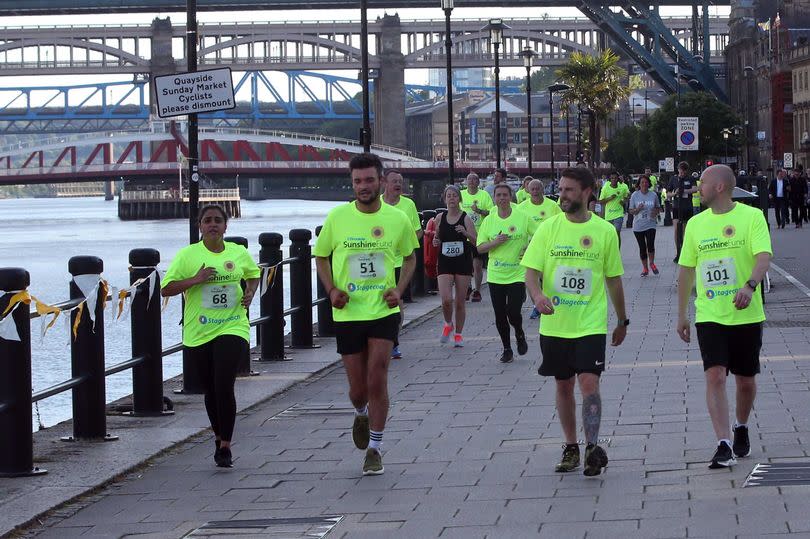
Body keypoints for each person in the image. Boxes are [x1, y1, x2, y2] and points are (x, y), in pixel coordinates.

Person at [314, 153, 419, 476]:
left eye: (369, 180)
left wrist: (399, 291)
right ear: (352, 183)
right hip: (348, 312)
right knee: (358, 389)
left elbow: (410, 257)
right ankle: (360, 411)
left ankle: (375, 448)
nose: (363, 186)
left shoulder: (397, 219)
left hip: (382, 310)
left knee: (378, 376)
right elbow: (320, 256)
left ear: (381, 181)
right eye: (358, 181)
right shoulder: (337, 218)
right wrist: (332, 290)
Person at [522, 167, 627, 477]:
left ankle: (592, 446)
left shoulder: (605, 231)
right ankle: (571, 447)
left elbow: (614, 280)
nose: (562, 195)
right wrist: (538, 296)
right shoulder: (547, 229)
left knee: (589, 382)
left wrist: (622, 320)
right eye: (561, 189)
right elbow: (530, 271)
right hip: (555, 324)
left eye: (568, 190)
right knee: (563, 384)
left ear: (586, 192)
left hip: (590, 322)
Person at [676, 164, 772, 469]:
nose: (697, 188)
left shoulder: (751, 217)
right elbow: (687, 270)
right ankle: (723, 443)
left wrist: (750, 286)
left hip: (745, 313)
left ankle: (741, 425)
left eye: (702, 183)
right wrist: (682, 314)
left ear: (719, 187)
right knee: (715, 375)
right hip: (710, 314)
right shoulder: (695, 224)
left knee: (745, 381)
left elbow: (763, 257)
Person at [161, 204, 260, 468]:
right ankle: (217, 436)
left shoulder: (238, 253)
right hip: (199, 330)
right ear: (200, 227)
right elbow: (166, 289)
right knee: (210, 389)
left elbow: (253, 274)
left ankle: (226, 445)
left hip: (233, 325)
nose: (213, 224)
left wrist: (250, 292)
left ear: (226, 226)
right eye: (207, 221)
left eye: (218, 220)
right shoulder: (188, 255)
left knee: (224, 384)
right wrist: (196, 279)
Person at [477, 183, 538, 363]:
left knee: (513, 311)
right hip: (496, 275)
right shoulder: (489, 220)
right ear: (494, 198)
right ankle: (507, 348)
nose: (502, 198)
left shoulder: (522, 217)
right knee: (499, 314)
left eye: (505, 195)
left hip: (517, 273)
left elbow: (540, 234)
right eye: (498, 195)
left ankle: (519, 332)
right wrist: (495, 242)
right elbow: (480, 248)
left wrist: (529, 248)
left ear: (510, 197)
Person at [382, 170, 423, 359]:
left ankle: (394, 340)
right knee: (381, 301)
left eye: (400, 181)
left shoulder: (409, 205)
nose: (398, 184)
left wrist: (403, 243)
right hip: (381, 262)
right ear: (385, 183)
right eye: (394, 181)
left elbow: (418, 232)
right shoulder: (377, 204)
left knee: (396, 302)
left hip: (401, 261)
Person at [432, 184, 476, 347]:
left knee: (459, 301)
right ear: (444, 199)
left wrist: (465, 233)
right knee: (446, 300)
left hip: (462, 260)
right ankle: (447, 324)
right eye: (448, 196)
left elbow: (476, 241)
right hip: (444, 260)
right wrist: (436, 241)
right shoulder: (439, 218)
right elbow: (437, 238)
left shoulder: (466, 218)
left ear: (459, 199)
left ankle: (458, 334)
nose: (451, 198)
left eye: (454, 196)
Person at [518, 178, 563, 319]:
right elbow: (520, 229)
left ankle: (552, 303)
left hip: (551, 248)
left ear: (543, 190)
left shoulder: (553, 206)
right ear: (528, 191)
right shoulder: (522, 208)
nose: (535, 191)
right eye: (532, 189)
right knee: (533, 279)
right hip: (531, 249)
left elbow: (561, 225)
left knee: (548, 279)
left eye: (538, 189)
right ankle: (536, 306)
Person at [460, 172, 493, 302]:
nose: (472, 181)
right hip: (463, 234)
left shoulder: (484, 195)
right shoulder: (461, 195)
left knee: (477, 265)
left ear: (478, 182)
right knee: (465, 265)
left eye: (475, 179)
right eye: (470, 179)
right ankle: (467, 288)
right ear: (466, 182)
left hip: (479, 235)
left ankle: (477, 290)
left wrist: (479, 211)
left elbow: (491, 212)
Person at [628, 175, 661, 276]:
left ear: (649, 184)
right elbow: (630, 211)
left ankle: (651, 263)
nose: (644, 184)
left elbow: (658, 207)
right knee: (642, 247)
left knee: (650, 245)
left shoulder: (653, 195)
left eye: (646, 182)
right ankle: (645, 268)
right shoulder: (635, 195)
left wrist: (654, 212)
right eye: (642, 182)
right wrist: (637, 209)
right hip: (638, 226)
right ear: (639, 184)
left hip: (650, 224)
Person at [668, 161, 698, 262]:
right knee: (677, 230)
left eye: (684, 171)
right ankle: (678, 252)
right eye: (681, 171)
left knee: (685, 231)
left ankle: (686, 252)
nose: (682, 173)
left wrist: (684, 191)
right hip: (677, 207)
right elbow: (667, 193)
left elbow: (695, 189)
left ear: (686, 171)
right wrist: (674, 194)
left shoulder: (690, 178)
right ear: (678, 169)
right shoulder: (673, 179)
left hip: (687, 207)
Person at [597, 171, 630, 247]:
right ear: (610, 179)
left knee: (617, 232)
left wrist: (624, 201)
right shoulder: (605, 188)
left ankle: (617, 251)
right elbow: (601, 202)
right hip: (608, 215)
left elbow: (628, 195)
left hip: (619, 214)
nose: (614, 180)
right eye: (612, 178)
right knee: (610, 235)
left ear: (618, 179)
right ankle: (611, 248)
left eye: (615, 178)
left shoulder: (622, 187)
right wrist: (610, 198)